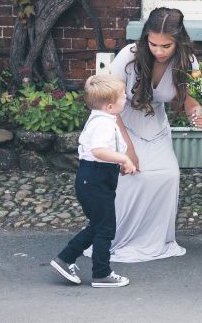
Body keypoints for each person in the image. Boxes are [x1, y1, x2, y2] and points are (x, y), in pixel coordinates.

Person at [99, 7, 202, 262]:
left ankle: (153, 238)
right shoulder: (129, 56)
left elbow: (192, 102)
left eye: (166, 46)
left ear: (178, 41)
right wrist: (128, 150)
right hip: (121, 123)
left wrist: (200, 114)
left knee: (168, 175)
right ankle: (116, 237)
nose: (158, 51)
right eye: (153, 44)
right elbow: (108, 106)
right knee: (132, 178)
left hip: (156, 124)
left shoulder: (188, 61)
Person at [50, 74, 136, 288]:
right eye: (122, 96)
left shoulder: (103, 119)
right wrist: (124, 158)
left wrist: (120, 163)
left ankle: (66, 258)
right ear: (109, 106)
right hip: (95, 178)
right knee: (105, 228)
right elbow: (99, 150)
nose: (126, 98)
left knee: (99, 225)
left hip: (96, 178)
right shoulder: (103, 124)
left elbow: (106, 151)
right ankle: (101, 273)